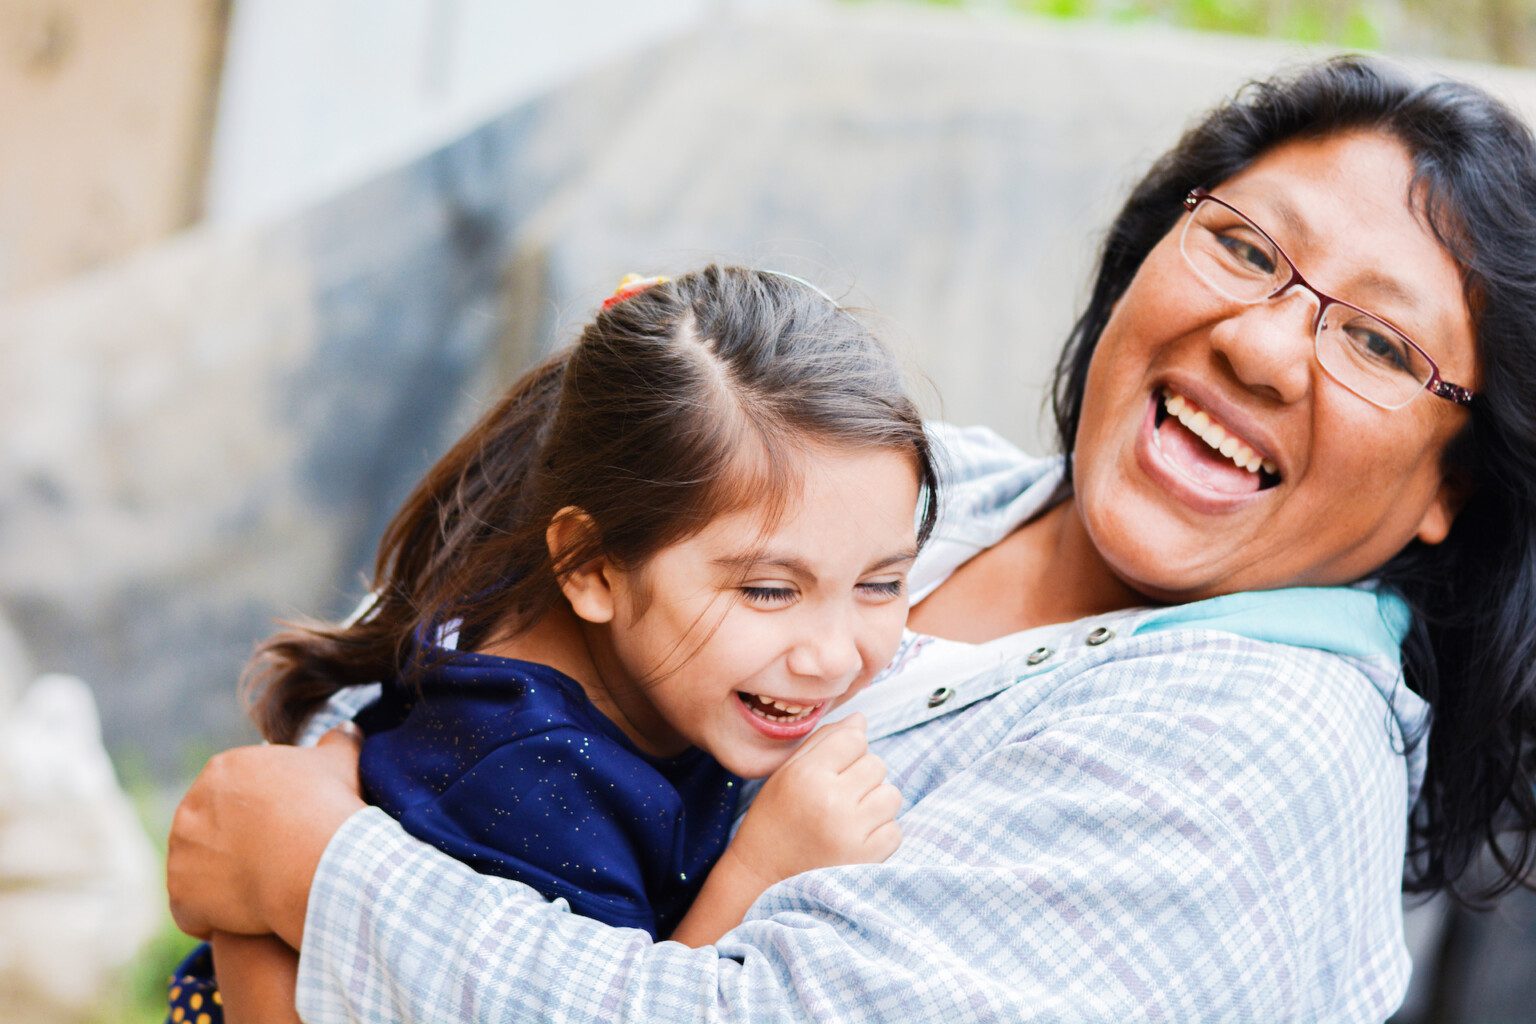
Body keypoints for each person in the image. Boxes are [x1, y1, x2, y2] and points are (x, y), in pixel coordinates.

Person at [166, 55, 1536, 1022]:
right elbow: (428, 653)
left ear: (1450, 489)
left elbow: (287, 818)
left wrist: (316, 880)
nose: (1258, 340)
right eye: (1244, 248)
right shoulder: (935, 487)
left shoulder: (1258, 755)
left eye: (1374, 340)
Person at [165, 265, 937, 1022]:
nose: (834, 656)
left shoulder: (588, 645)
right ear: (591, 566)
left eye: (881, 584)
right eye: (768, 591)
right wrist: (760, 868)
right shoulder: (533, 779)